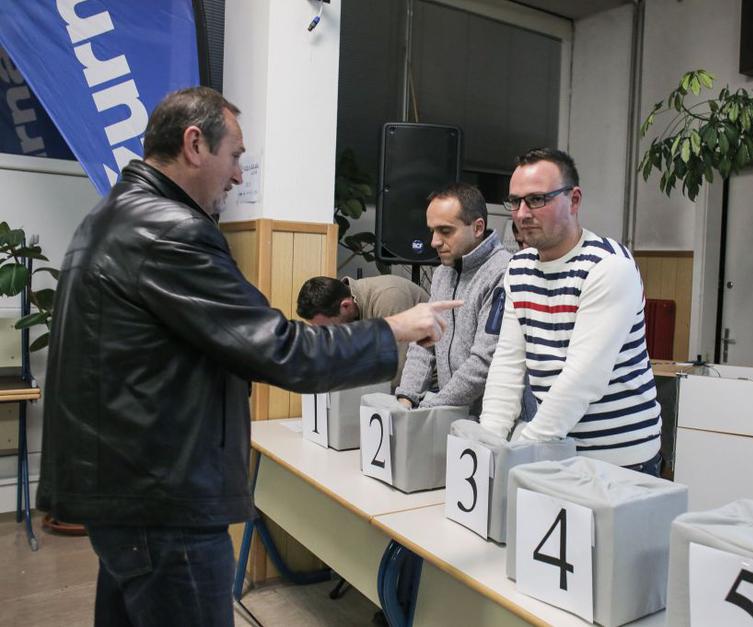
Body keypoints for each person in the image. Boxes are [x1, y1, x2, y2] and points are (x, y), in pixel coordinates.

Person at [36, 86, 458, 627]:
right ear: (195, 144)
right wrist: (395, 329)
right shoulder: (169, 232)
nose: (238, 176)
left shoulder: (113, 217)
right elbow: (280, 349)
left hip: (129, 493)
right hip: (163, 503)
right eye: (234, 156)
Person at [479, 148, 662, 474]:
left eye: (537, 199)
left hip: (619, 460)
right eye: (515, 201)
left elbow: (582, 380)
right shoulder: (519, 267)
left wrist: (520, 453)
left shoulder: (608, 266)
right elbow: (507, 364)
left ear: (574, 200)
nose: (522, 213)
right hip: (556, 449)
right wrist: (487, 448)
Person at [395, 183, 511, 415]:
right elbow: (424, 344)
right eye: (432, 231)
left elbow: (484, 362)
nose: (434, 242)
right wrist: (406, 399)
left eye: (445, 231)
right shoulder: (442, 273)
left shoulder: (503, 272)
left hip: (490, 421)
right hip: (449, 415)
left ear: (478, 228)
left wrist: (427, 409)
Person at [297, 274, 429, 387]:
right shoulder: (346, 309)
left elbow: (398, 372)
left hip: (427, 386)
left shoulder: (388, 298)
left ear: (346, 306)